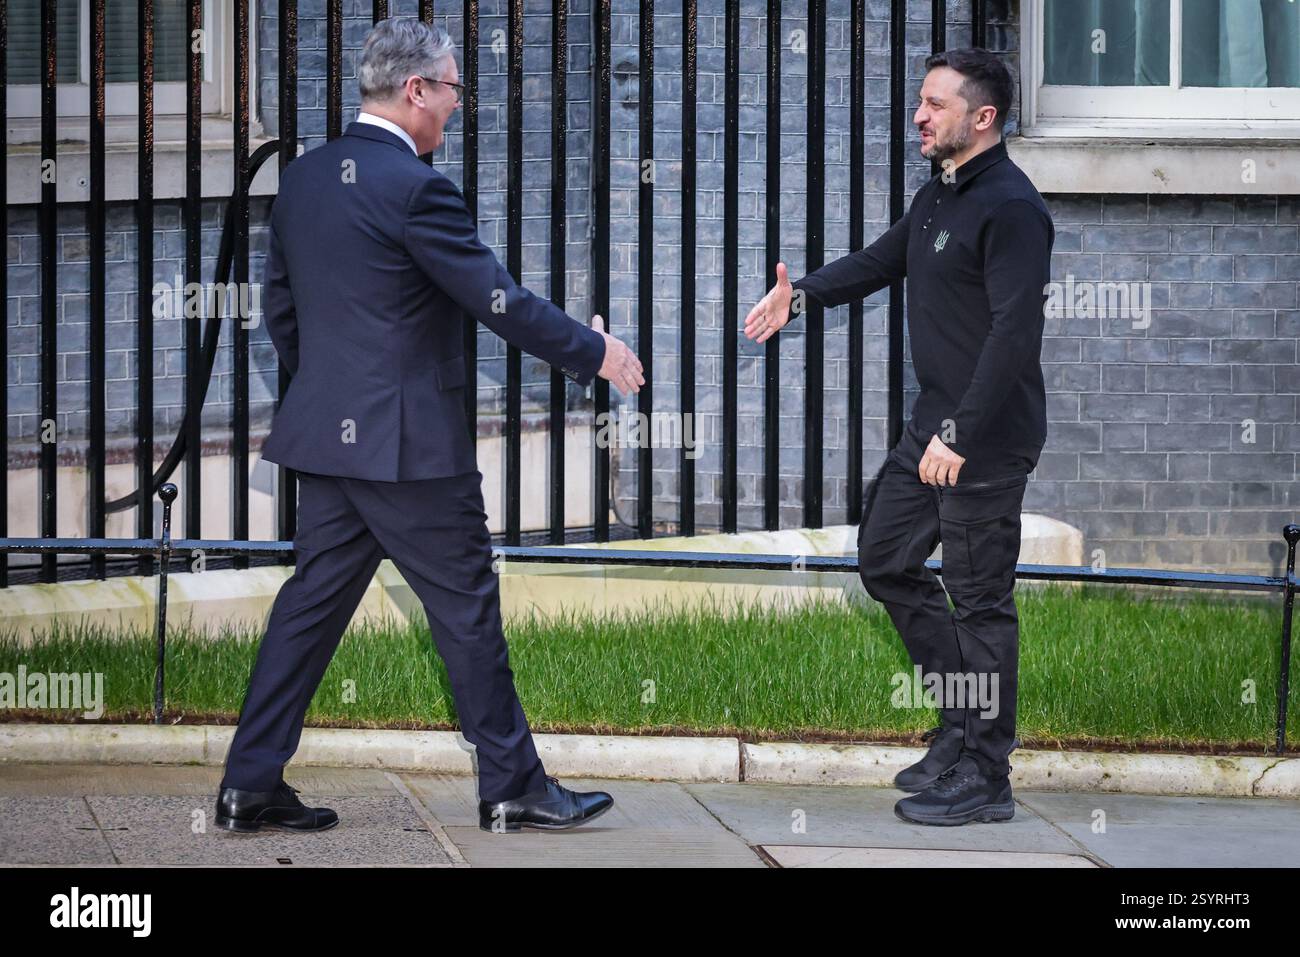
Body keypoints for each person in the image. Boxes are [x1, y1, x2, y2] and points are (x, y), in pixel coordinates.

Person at [215, 17, 643, 835]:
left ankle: (248, 784)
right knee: (467, 609)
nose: (456, 108)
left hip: (330, 439)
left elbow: (281, 310)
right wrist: (595, 351)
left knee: (308, 608)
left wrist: (333, 397)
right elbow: (499, 302)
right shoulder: (415, 188)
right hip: (410, 450)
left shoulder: (304, 178)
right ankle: (514, 785)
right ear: (415, 91)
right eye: (452, 90)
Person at [743, 48, 1054, 826]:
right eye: (920, 101)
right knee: (885, 557)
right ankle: (959, 721)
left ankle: (987, 772)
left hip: (981, 440)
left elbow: (1015, 333)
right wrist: (802, 296)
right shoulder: (937, 196)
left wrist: (961, 434)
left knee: (981, 601)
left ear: (981, 119)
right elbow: (883, 262)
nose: (919, 114)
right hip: (932, 430)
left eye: (934, 104)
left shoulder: (1013, 208)